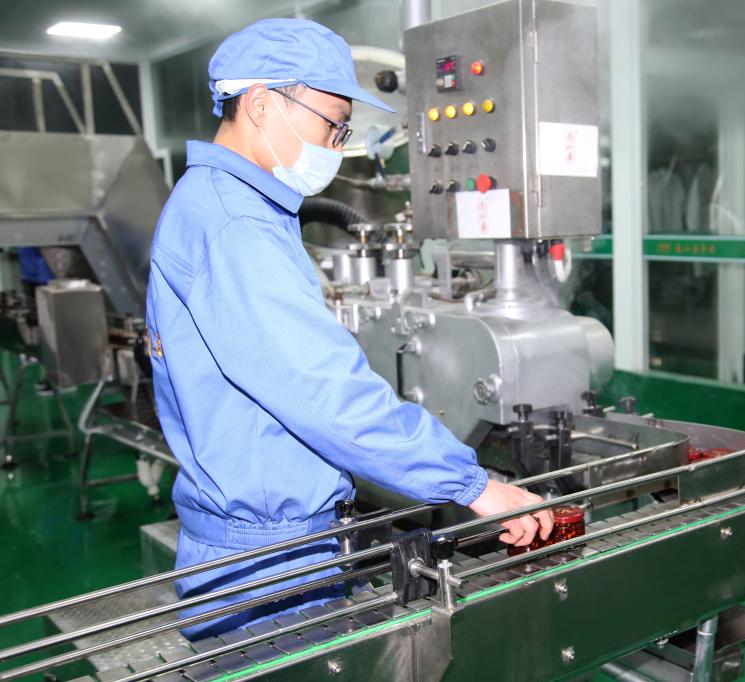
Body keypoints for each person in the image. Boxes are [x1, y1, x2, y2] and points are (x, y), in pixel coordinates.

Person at [145, 18, 552, 640]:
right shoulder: (234, 225)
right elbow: (321, 389)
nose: (335, 146)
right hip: (268, 563)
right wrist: (470, 483)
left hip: (271, 542)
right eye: (332, 125)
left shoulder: (227, 205)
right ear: (261, 104)